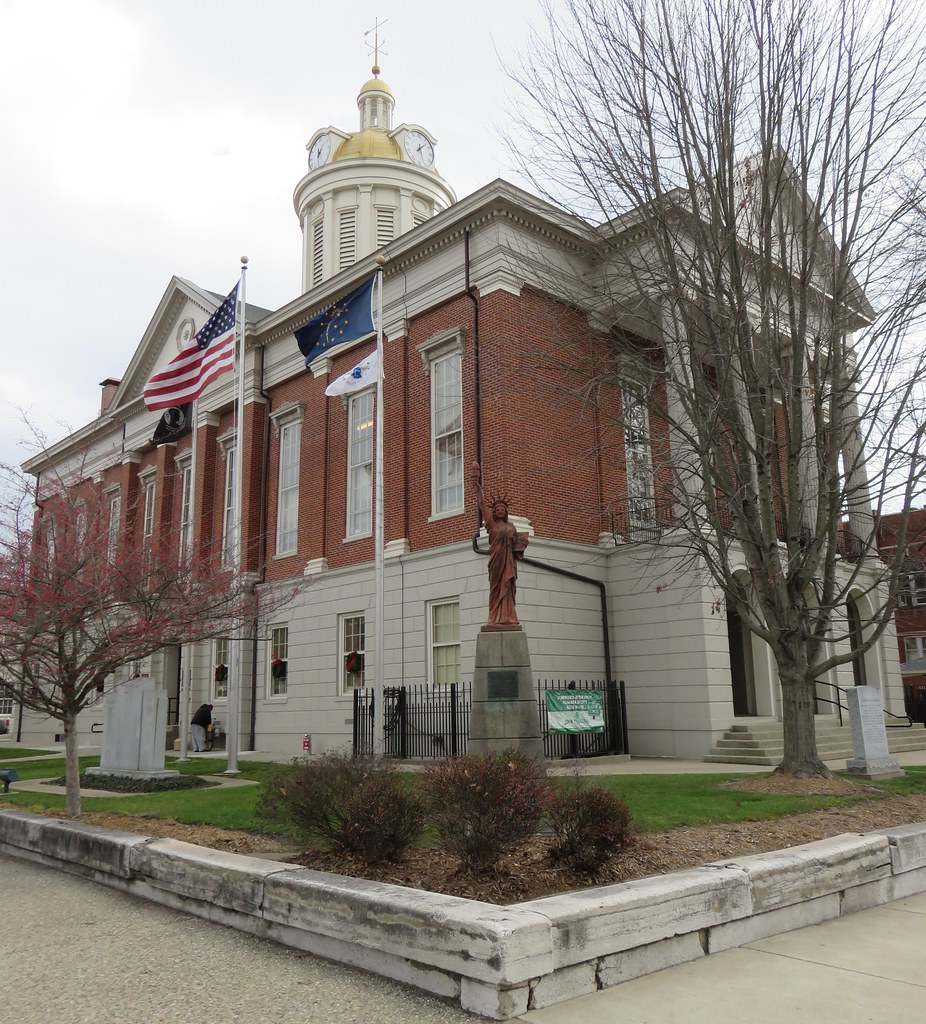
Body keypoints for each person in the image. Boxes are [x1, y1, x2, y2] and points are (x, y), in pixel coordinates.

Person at [470, 461, 528, 629]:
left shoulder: (512, 527)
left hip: (509, 562)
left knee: (508, 589)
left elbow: (518, 546)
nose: (500, 510)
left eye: (503, 508)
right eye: (497, 508)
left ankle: (509, 617)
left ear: (506, 512)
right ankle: (493, 617)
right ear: (494, 512)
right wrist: (476, 484)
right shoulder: (491, 524)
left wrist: (522, 545)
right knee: (495, 589)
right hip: (496, 561)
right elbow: (482, 504)